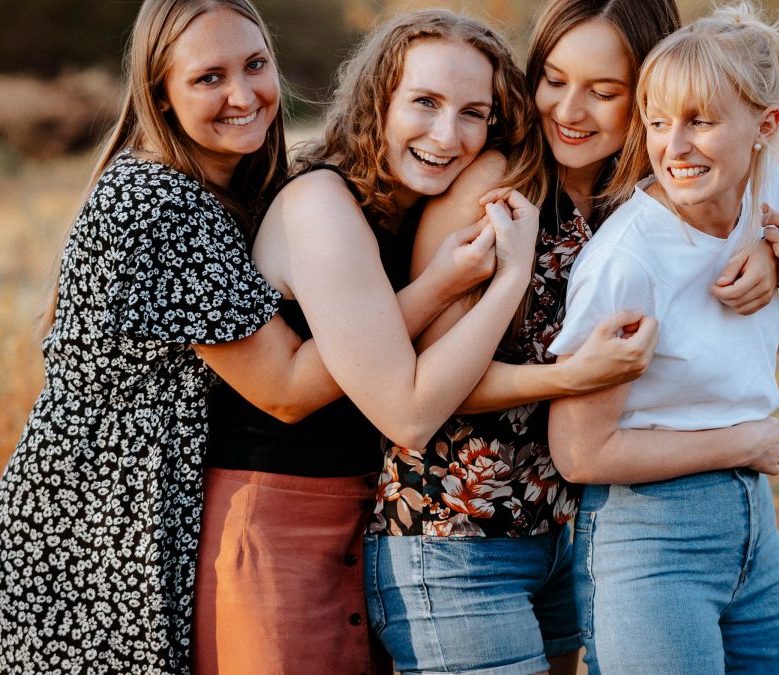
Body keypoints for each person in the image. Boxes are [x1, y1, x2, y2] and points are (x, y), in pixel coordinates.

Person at [363, 1, 779, 673]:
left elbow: (687, 360)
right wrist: (571, 376)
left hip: (561, 532)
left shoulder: (645, 189)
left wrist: (772, 254)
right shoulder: (495, 186)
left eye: (603, 92)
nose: (569, 110)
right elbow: (427, 381)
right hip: (459, 534)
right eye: (553, 80)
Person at [0, 0, 371, 671]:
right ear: (160, 95)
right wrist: (434, 287)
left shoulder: (217, 189)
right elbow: (287, 389)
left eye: (255, 64)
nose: (243, 94)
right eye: (209, 77)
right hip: (91, 543)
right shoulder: (158, 204)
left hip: (123, 521)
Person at [192, 10, 543, 675]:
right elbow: (407, 412)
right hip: (276, 525)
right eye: (425, 102)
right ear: (377, 101)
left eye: (473, 113)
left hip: (364, 518)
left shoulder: (411, 211)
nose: (447, 135)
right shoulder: (322, 204)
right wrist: (507, 279)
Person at [547, 2, 779, 673]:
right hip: (649, 539)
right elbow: (580, 452)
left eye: (700, 122)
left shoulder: (764, 194)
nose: (673, 148)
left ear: (765, 126)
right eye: (657, 122)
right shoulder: (626, 263)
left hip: (752, 525)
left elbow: (727, 364)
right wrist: (740, 443)